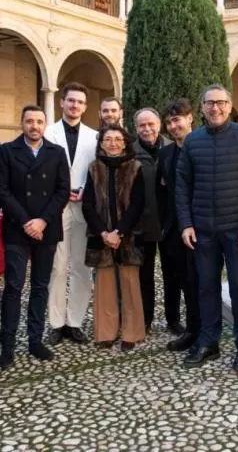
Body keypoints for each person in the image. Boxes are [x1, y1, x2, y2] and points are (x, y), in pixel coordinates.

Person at [176, 84, 238, 372]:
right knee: (206, 287)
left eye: (221, 103)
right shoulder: (193, 141)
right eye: (210, 103)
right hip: (203, 230)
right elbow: (182, 185)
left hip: (237, 231)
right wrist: (186, 223)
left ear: (230, 106)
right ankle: (209, 341)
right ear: (201, 107)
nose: (216, 108)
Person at [0, 105, 71, 369]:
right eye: (29, 121)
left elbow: (62, 191)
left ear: (45, 124)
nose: (34, 126)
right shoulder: (7, 151)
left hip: (46, 229)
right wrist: (26, 221)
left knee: (40, 287)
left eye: (39, 121)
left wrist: (42, 221)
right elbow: (2, 190)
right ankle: (7, 345)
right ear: (22, 123)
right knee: (13, 288)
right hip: (18, 229)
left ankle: (35, 340)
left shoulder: (57, 153)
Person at [82, 124, 147, 351]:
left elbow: (138, 204)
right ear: (101, 143)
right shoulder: (93, 168)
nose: (113, 143)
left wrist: (119, 232)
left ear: (124, 142)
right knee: (105, 285)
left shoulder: (135, 167)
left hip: (127, 235)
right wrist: (103, 233)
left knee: (130, 284)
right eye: (108, 139)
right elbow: (88, 205)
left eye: (117, 139)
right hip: (101, 235)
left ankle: (132, 332)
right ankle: (106, 332)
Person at [44, 82, 98, 345]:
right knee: (57, 266)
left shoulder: (95, 136)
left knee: (81, 266)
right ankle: (56, 323)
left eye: (80, 102)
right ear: (61, 102)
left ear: (85, 107)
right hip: (57, 207)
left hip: (84, 207)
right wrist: (59, 191)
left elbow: (97, 171)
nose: (75, 105)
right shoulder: (47, 132)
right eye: (71, 100)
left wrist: (85, 190)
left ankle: (75, 321)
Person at [158, 99, 201, 352]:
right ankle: (188, 327)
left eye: (178, 120)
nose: (174, 126)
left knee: (198, 281)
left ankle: (200, 330)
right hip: (174, 228)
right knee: (180, 278)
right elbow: (164, 190)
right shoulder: (165, 154)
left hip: (200, 226)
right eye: (170, 122)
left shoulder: (203, 146)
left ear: (190, 119)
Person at [132, 107, 177, 333]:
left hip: (169, 223)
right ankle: (145, 319)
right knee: (144, 275)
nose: (147, 129)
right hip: (141, 224)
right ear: (136, 128)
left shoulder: (173, 147)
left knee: (172, 274)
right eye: (142, 125)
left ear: (159, 125)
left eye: (151, 124)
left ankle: (173, 318)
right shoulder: (130, 152)